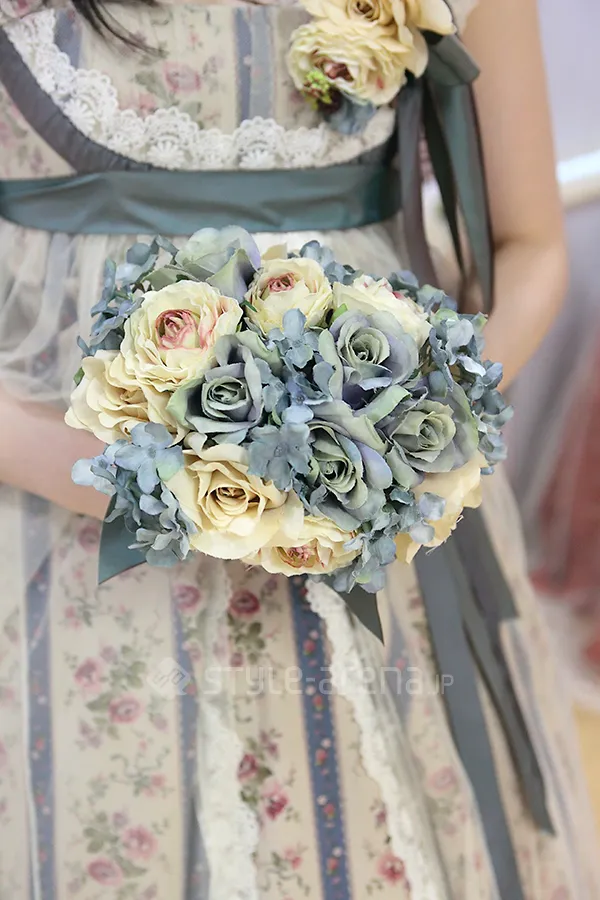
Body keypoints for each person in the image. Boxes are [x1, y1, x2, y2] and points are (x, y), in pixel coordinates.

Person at [0, 0, 597, 897]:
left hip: (375, 526)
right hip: (51, 526)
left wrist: (411, 431)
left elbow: (532, 247)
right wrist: (113, 477)